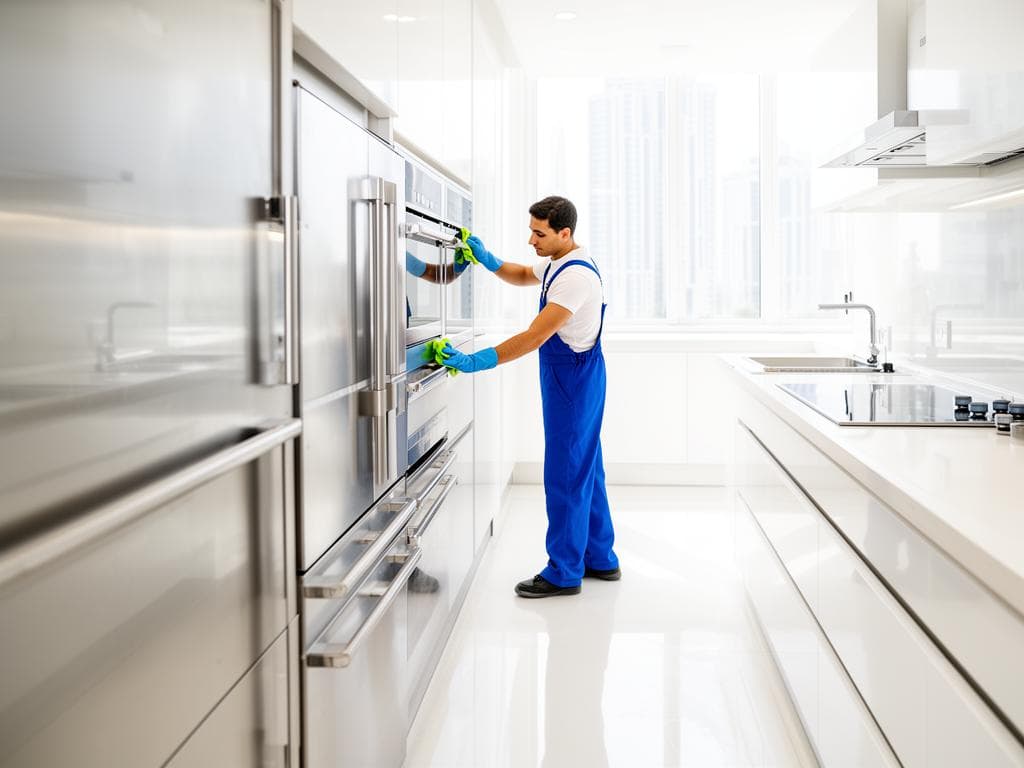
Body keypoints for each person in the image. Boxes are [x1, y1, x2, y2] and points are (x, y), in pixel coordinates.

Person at [440, 196, 620, 598]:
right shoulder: (560, 260)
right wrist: (486, 259)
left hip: (572, 377)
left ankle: (564, 571)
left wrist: (476, 361)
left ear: (564, 233)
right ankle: (600, 557)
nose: (531, 240)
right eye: (531, 230)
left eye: (539, 233)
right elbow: (523, 274)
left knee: (566, 473)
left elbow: (535, 336)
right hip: (577, 373)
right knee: (586, 465)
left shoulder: (577, 277)